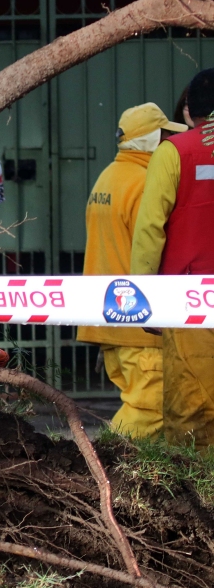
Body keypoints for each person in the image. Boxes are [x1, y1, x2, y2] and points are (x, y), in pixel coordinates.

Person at [77, 103, 185, 438]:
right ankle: (107, 466)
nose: (170, 142)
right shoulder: (143, 182)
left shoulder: (109, 176)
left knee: (145, 402)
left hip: (108, 314)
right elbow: (151, 247)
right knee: (150, 405)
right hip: (137, 319)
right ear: (153, 140)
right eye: (165, 135)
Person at [131, 68, 214, 447]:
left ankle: (195, 494)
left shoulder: (176, 152)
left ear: (187, 109)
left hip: (188, 298)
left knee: (190, 407)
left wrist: (143, 297)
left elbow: (150, 228)